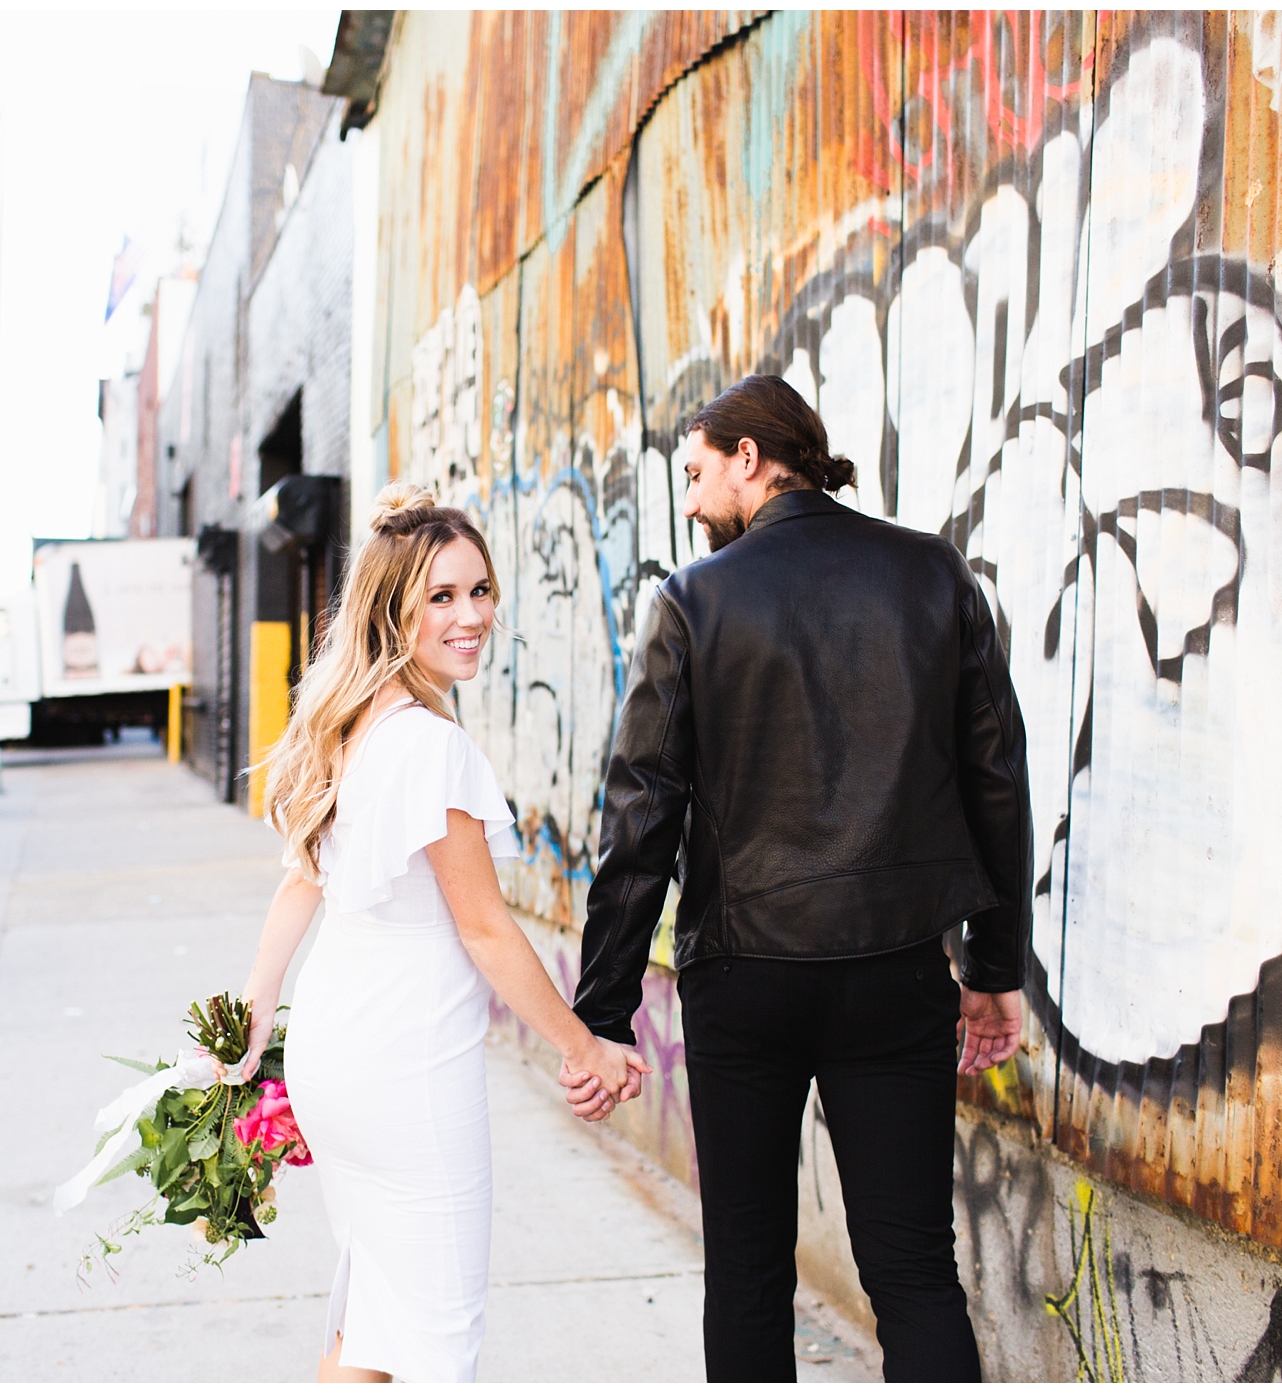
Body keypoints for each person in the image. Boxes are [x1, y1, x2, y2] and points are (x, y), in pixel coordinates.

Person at [563, 374, 1033, 1382]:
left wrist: (602, 1010)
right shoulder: (931, 573)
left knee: (745, 1269)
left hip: (745, 979)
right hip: (897, 968)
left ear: (749, 459)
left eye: (695, 473)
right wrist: (995, 965)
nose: (688, 502)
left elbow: (640, 816)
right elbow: (995, 778)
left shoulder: (694, 602)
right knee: (912, 1270)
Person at [235, 483, 651, 1384]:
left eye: (480, 590)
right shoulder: (431, 748)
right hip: (406, 1072)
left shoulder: (345, 728)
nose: (471, 617)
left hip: (336, 1057)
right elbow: (488, 931)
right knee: (434, 1339)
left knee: (375, 1319)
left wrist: (255, 1021)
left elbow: (296, 891)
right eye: (441, 597)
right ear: (394, 610)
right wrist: (585, 1047)